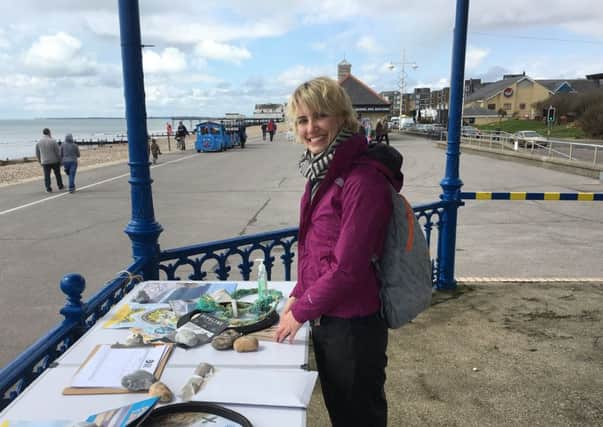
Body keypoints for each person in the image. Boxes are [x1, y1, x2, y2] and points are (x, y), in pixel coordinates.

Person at [275, 76, 403, 427]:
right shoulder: (323, 172)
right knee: (342, 413)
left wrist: (300, 311)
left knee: (358, 416)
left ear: (342, 118)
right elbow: (317, 248)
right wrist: (300, 292)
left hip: (354, 325)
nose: (310, 128)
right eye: (302, 120)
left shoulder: (362, 179)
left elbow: (348, 266)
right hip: (330, 317)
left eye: (320, 116)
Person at [35, 128, 64, 193]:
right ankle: (60, 186)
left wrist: (40, 160)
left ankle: (48, 188)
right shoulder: (53, 141)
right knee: (57, 174)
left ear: (43, 133)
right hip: (54, 160)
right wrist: (61, 160)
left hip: (45, 161)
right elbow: (57, 152)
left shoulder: (39, 142)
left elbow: (37, 153)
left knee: (47, 175)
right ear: (49, 133)